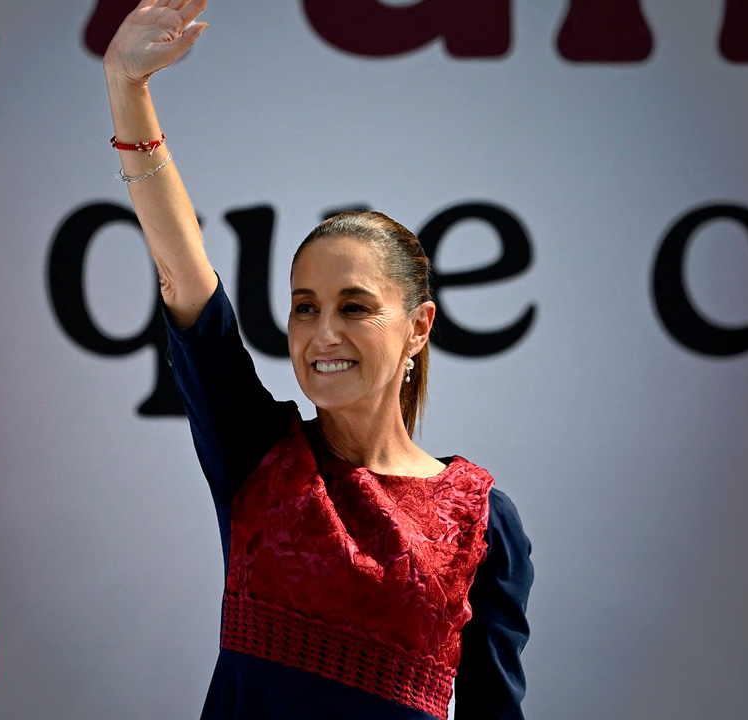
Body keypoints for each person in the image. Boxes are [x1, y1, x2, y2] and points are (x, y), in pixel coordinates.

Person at [103, 2, 534, 718]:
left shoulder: (483, 518)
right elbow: (185, 275)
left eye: (354, 307)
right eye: (305, 307)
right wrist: (128, 89)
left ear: (419, 327)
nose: (321, 332)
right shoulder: (258, 454)